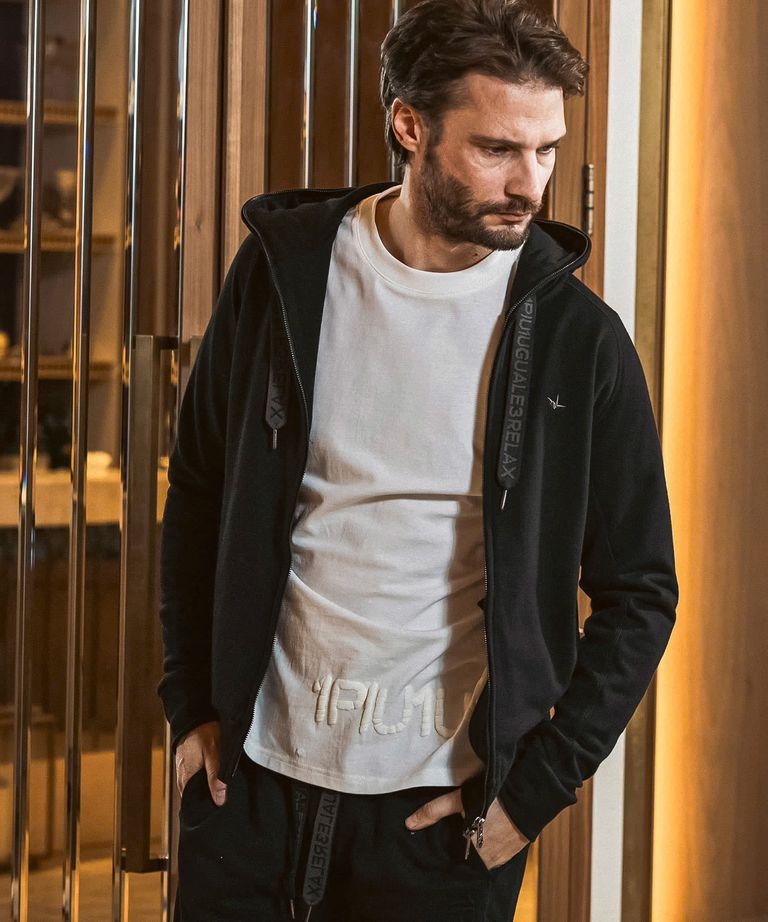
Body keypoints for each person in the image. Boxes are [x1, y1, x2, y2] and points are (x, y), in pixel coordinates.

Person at [159, 0, 678, 919]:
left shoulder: (580, 343)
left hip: (436, 823)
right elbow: (199, 489)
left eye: (547, 150)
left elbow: (640, 590)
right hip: (251, 788)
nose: (530, 184)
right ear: (409, 126)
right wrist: (188, 699)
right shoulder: (284, 276)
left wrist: (535, 792)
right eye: (497, 149)